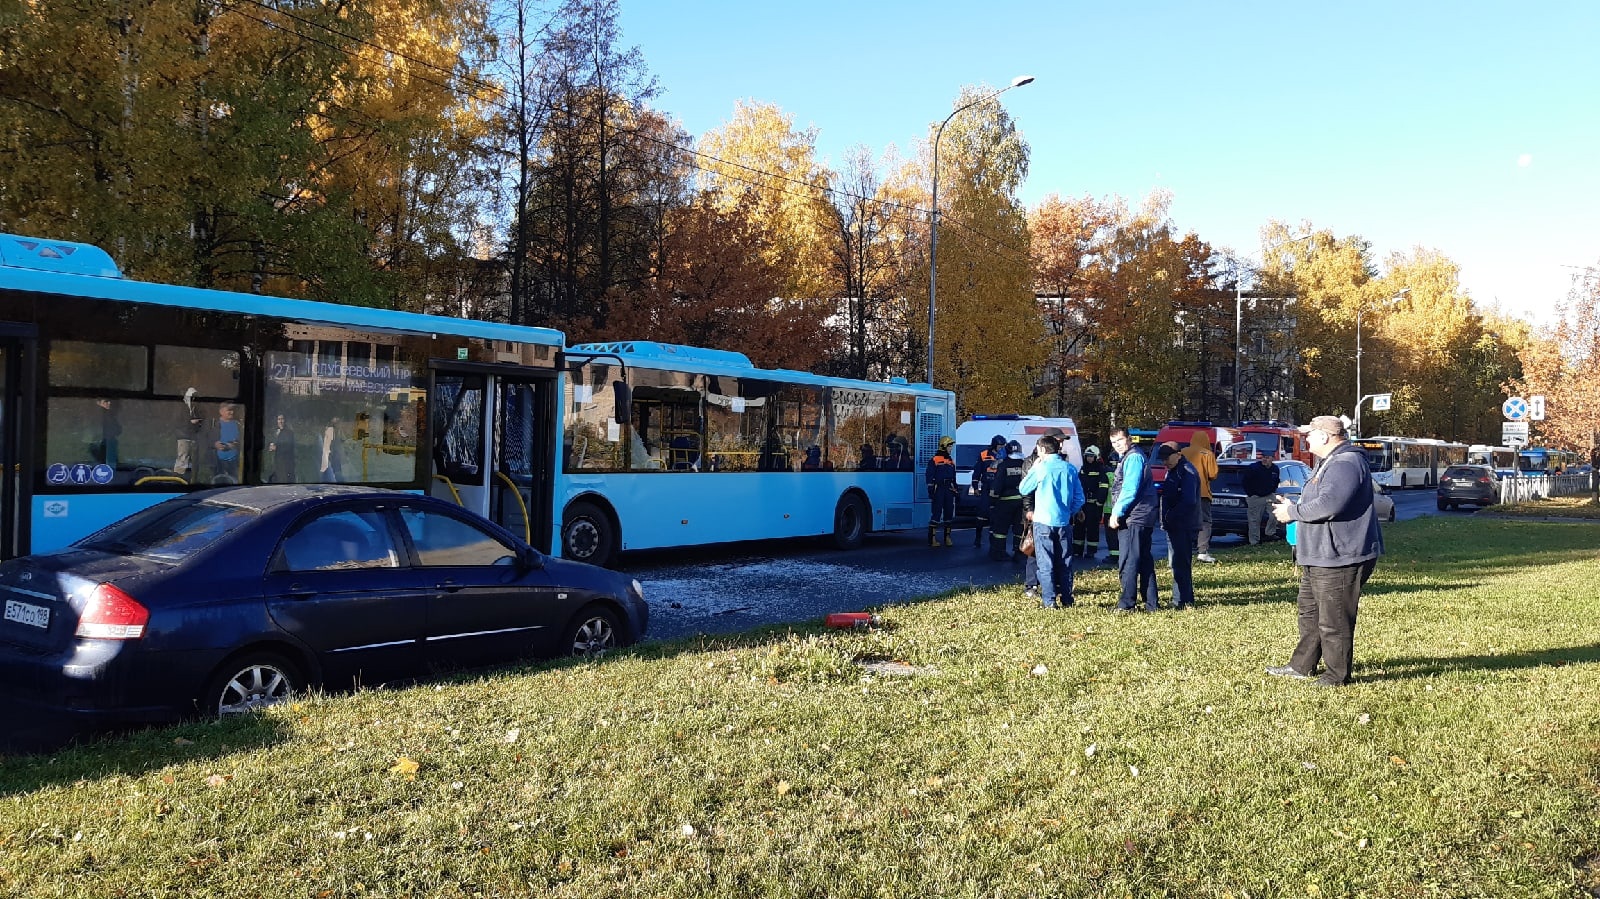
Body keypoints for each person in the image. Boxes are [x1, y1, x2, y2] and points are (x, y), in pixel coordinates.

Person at [1267, 415, 1384, 688]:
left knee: (1334, 620)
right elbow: (1322, 499)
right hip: (1321, 554)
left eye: (1309, 434)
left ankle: (1336, 675)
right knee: (1310, 613)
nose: (1306, 439)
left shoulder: (1346, 462)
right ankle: (1301, 665)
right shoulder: (1330, 461)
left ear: (1324, 436)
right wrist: (1296, 504)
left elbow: (1330, 504)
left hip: (1340, 556)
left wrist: (1292, 512)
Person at [1018, 434, 1085, 609]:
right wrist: (1069, 512)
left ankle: (1049, 601)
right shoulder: (1070, 468)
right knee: (1065, 561)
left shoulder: (1041, 468)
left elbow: (1024, 488)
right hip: (1064, 521)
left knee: (1045, 563)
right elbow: (1079, 498)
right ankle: (1067, 599)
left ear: (1042, 449)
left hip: (1043, 522)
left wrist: (1033, 468)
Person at [1106, 428, 1159, 612]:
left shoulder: (1133, 457)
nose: (1117, 445)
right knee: (1143, 559)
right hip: (1142, 514)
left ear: (1129, 439)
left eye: (1120, 440)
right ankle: (1151, 603)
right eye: (1113, 442)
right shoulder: (1130, 456)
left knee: (1129, 560)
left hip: (1135, 515)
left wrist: (1116, 513)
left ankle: (1127, 604)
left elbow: (1130, 489)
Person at [1157, 442, 1201, 610]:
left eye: (1167, 458)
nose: (1164, 462)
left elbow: (1189, 501)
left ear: (1178, 454)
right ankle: (1181, 599)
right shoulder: (1175, 470)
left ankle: (1183, 600)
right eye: (1162, 459)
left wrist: (1170, 515)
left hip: (1183, 524)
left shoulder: (1186, 472)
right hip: (1175, 524)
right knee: (1177, 563)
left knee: (1180, 562)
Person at [1182, 432, 1220, 563]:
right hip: (1202, 493)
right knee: (1204, 522)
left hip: (1184, 493)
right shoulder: (1207, 454)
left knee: (1185, 520)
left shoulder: (1182, 452)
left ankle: (1184, 547)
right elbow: (1213, 474)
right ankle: (1202, 551)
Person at [987, 439, 1027, 561]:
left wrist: (992, 501)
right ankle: (1019, 552)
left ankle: (999, 552)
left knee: (1001, 528)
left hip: (1005, 501)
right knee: (1019, 528)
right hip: (1022, 501)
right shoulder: (1025, 464)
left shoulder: (1003, 464)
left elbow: (997, 485)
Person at [1074, 445, 1110, 560]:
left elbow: (1103, 487)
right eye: (1088, 456)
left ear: (1096, 457)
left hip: (1094, 505)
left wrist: (1099, 503)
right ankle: (1077, 550)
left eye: (1091, 456)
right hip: (1082, 504)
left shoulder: (1100, 470)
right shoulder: (1083, 469)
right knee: (1079, 527)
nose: (1089, 459)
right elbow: (1078, 486)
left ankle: (1091, 551)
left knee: (1092, 529)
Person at [969, 434, 1006, 546]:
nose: (1001, 448)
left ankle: (992, 540)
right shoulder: (984, 454)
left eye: (1003, 446)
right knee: (982, 513)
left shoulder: (1005, 455)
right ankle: (978, 537)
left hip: (999, 488)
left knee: (995, 515)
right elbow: (977, 472)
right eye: (1000, 446)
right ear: (994, 445)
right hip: (987, 487)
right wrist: (975, 487)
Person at [925, 436, 958, 547]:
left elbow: (953, 477)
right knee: (936, 514)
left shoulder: (950, 461)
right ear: (943, 446)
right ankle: (932, 539)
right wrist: (931, 490)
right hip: (938, 489)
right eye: (949, 446)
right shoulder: (934, 459)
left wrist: (956, 490)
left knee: (949, 514)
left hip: (948, 489)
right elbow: (929, 476)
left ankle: (947, 537)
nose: (951, 448)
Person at [1243, 453, 1281, 545]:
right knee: (1254, 520)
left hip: (1269, 495)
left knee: (1275, 513)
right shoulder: (1253, 468)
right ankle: (1254, 542)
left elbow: (1276, 480)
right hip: (1255, 496)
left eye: (1267, 457)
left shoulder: (1275, 469)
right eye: (1263, 457)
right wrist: (1251, 494)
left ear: (1272, 458)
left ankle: (1270, 533)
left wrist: (1273, 489)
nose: (1264, 459)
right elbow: (1245, 481)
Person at [175, 387, 202, 482]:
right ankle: (179, 480)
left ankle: (191, 480)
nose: (194, 399)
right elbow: (178, 422)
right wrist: (191, 422)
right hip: (183, 437)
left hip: (193, 437)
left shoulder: (196, 408)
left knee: (193, 462)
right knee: (182, 460)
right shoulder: (181, 408)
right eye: (192, 397)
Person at [212, 402, 242, 483]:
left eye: (232, 410)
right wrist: (215, 444)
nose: (231, 412)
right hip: (218, 462)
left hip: (233, 461)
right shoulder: (214, 424)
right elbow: (207, 439)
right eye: (229, 410)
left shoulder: (238, 424)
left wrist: (233, 445)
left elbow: (241, 440)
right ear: (221, 411)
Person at [91, 398, 121, 468]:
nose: (109, 403)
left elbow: (118, 430)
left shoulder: (109, 414)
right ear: (98, 403)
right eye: (106, 401)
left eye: (109, 401)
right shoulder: (101, 415)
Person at [269, 413, 298, 483]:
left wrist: (276, 448)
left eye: (282, 419)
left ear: (285, 420)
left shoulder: (289, 433)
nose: (281, 421)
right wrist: (270, 447)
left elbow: (288, 447)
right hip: (276, 464)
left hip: (286, 465)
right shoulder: (275, 432)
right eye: (279, 419)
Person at [321, 415, 345, 483]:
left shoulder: (339, 432)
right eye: (335, 424)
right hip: (329, 460)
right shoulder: (328, 432)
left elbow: (343, 442)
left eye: (338, 423)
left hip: (337, 460)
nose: (338, 425)